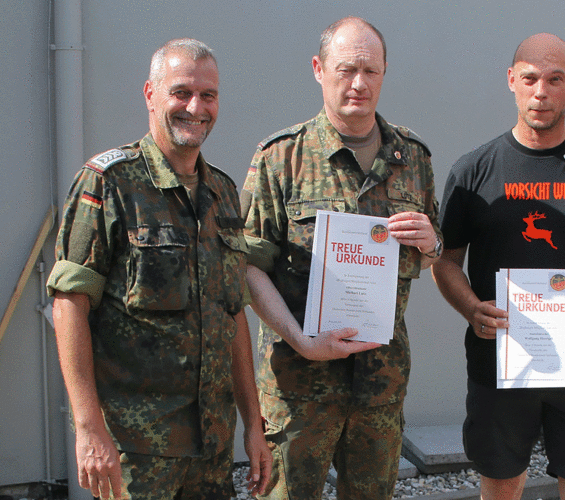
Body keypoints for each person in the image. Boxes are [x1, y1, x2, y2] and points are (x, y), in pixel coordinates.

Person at [432, 33, 565, 500]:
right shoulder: (474, 171)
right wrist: (472, 309)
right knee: (501, 488)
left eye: (554, 80)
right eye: (530, 78)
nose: (541, 91)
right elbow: (445, 262)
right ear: (511, 80)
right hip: (498, 366)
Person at [47, 38, 270, 499]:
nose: (196, 106)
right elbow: (69, 305)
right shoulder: (109, 183)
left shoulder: (225, 194)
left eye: (208, 95)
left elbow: (232, 317)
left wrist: (254, 424)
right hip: (136, 450)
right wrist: (88, 429)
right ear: (150, 94)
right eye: (181, 92)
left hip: (210, 447)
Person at [240, 16, 441, 499]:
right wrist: (301, 339)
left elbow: (430, 257)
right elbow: (247, 266)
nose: (358, 84)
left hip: (379, 383)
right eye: (346, 69)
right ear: (318, 69)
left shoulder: (412, 158)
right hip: (297, 385)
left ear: (385, 73)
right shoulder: (280, 158)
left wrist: (432, 244)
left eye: (370, 71)